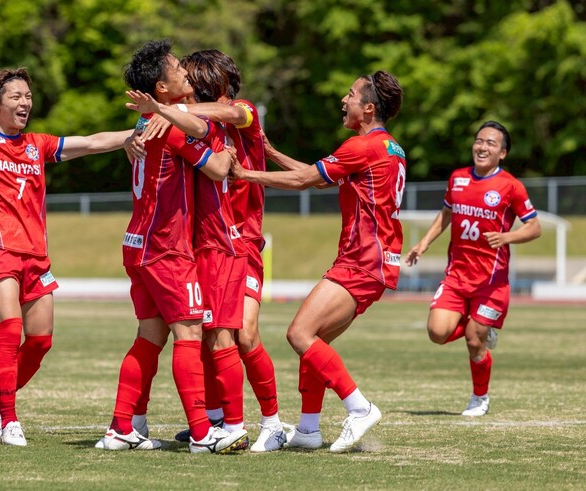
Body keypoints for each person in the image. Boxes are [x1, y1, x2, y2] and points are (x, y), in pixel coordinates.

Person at [0, 62, 136, 446]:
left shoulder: (38, 144)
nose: (25, 102)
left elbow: (91, 142)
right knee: (9, 333)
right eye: (16, 96)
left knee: (40, 341)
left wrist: (140, 129)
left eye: (28, 96)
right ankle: (8, 419)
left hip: (36, 257)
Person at [230, 71, 405, 452]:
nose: (344, 99)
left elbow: (305, 181)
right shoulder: (388, 147)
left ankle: (359, 407)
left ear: (368, 108)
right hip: (374, 261)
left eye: (351, 94)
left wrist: (244, 173)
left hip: (362, 260)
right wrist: (272, 153)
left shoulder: (362, 146)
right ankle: (309, 429)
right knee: (316, 341)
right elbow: (321, 178)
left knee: (300, 334)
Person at [93, 40, 248, 454]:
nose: (185, 73)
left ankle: (120, 428)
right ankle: (202, 434)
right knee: (190, 332)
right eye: (178, 68)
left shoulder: (149, 122)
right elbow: (217, 168)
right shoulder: (169, 123)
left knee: (149, 336)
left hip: (137, 242)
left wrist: (162, 117)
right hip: (166, 246)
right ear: (161, 87)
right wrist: (226, 150)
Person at [166, 49, 287, 452]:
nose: (187, 87)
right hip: (206, 240)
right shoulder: (198, 124)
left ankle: (271, 422)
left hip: (242, 240)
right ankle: (217, 418)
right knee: (206, 331)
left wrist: (173, 108)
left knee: (244, 334)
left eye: (192, 80)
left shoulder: (241, 110)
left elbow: (233, 113)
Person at [405, 121, 541, 417]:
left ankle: (480, 398)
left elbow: (534, 227)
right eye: (479, 141)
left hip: (491, 282)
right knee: (437, 333)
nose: (482, 147)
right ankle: (478, 327)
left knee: (473, 341)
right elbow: (446, 213)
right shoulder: (458, 178)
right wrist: (424, 243)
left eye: (491, 143)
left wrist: (507, 237)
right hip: (456, 276)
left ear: (502, 153)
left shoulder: (511, 186)